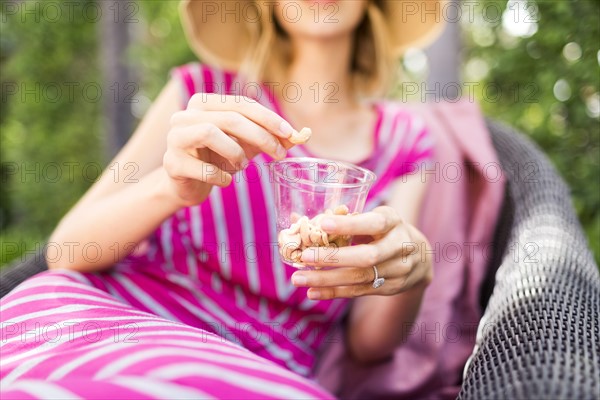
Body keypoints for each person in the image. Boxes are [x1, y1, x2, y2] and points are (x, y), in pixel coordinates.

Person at [0, 1, 445, 398]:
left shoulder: (405, 140)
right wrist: (170, 189)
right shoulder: (201, 92)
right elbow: (65, 251)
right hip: (109, 317)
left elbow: (369, 342)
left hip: (256, 365)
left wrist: (414, 269)